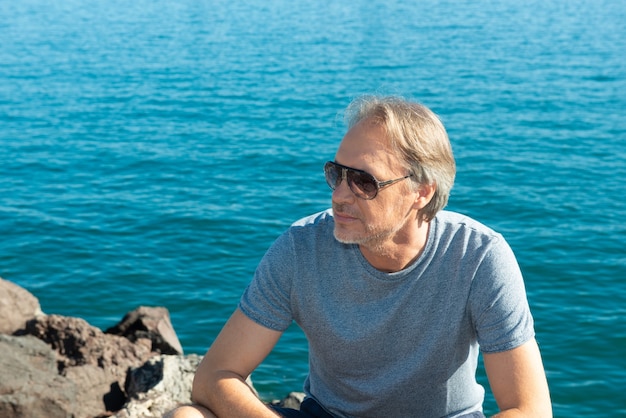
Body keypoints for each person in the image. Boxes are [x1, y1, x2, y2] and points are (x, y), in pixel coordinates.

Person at [166, 96, 552, 418]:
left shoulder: (478, 257)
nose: (339, 195)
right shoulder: (302, 249)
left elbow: (529, 408)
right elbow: (215, 375)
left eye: (364, 181)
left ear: (422, 192)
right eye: (337, 173)